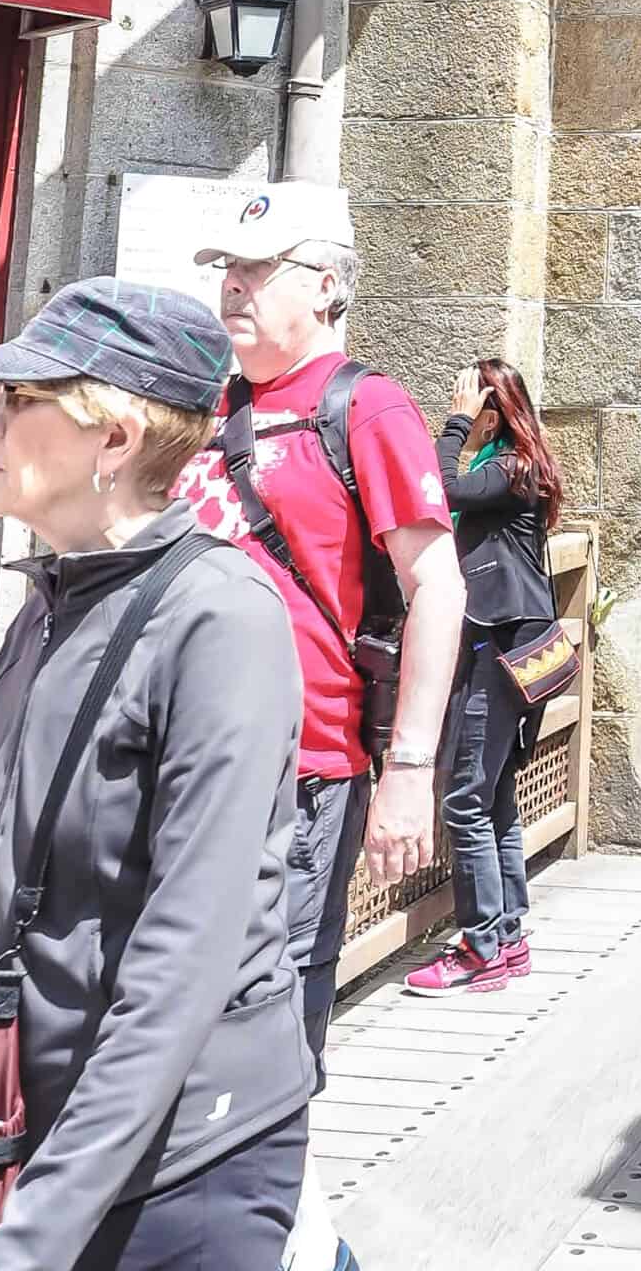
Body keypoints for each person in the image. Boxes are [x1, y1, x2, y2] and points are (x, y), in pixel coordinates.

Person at [0, 280, 312, 1271]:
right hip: (47, 1133)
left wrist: (27, 1243)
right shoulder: (46, 606)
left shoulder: (219, 619)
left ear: (113, 439)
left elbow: (180, 968)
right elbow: (1, 906)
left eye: (21, 401)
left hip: (187, 1160)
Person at [178, 183, 465, 1074]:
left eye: (261, 269)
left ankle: (272, 1200)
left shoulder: (365, 408)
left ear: (328, 286)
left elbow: (437, 588)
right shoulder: (211, 404)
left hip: (300, 767)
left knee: (271, 1008)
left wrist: (410, 771)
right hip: (187, 756)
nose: (236, 286)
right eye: (228, 268)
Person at [405, 361, 562, 999]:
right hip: (508, 644)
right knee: (492, 794)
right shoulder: (511, 465)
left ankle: (480, 945)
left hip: (503, 646)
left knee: (465, 796)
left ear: (492, 414)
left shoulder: (508, 470)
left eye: (471, 404)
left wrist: (453, 424)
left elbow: (434, 487)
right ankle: (509, 934)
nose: (461, 411)